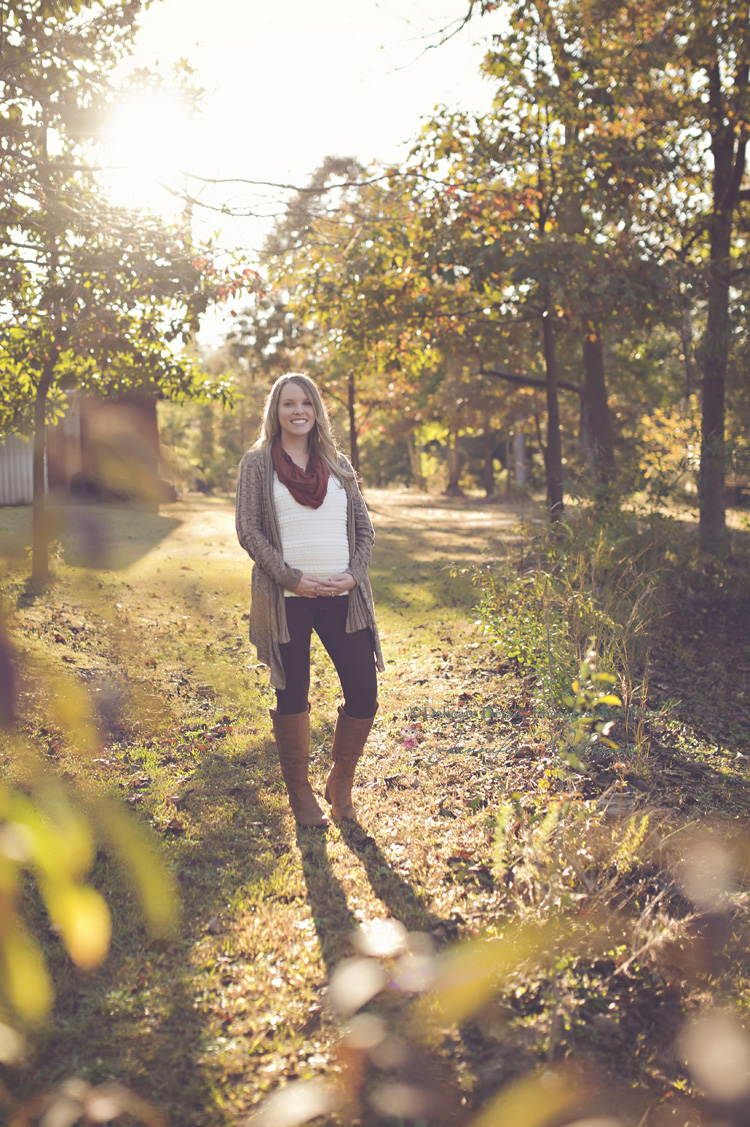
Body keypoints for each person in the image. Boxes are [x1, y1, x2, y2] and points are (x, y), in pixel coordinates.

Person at [235, 373, 384, 828]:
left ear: (316, 410)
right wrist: (291, 579)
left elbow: (365, 530)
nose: (298, 410)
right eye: (288, 403)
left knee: (364, 692)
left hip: (343, 597)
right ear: (275, 412)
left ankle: (340, 782)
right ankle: (300, 793)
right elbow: (249, 530)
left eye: (306, 403)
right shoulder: (257, 463)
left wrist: (353, 577)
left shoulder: (337, 463)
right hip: (286, 601)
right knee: (292, 695)